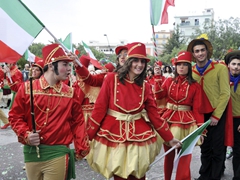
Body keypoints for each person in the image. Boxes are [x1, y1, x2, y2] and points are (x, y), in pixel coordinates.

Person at [86, 42, 180, 180]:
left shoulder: (145, 85)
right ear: (128, 61)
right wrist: (87, 136)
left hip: (139, 137)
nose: (139, 64)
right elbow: (99, 109)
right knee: (120, 176)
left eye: (142, 61)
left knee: (139, 174)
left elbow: (154, 115)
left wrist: (169, 138)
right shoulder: (111, 79)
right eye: (135, 60)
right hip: (114, 135)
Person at [8, 43, 90, 180]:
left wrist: (81, 146)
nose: (69, 69)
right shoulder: (28, 89)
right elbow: (15, 116)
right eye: (65, 64)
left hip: (58, 152)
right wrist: (26, 134)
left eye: (70, 65)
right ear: (51, 65)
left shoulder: (70, 93)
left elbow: (78, 121)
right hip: (31, 152)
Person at [154, 51, 213, 180]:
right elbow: (159, 96)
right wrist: (158, 77)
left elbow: (198, 109)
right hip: (168, 119)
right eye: (178, 64)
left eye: (184, 64)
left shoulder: (195, 86)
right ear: (175, 66)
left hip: (186, 122)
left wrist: (201, 130)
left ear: (189, 67)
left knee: (184, 156)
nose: (181, 67)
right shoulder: (169, 81)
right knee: (168, 155)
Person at [187, 38, 231, 180]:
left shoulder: (221, 68)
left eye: (202, 50)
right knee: (204, 147)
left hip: (217, 113)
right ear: (193, 54)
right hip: (200, 115)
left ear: (207, 51)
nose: (200, 53)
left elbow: (225, 93)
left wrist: (216, 116)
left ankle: (215, 176)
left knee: (217, 148)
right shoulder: (191, 71)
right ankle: (204, 175)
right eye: (197, 51)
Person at [224, 50, 240, 180]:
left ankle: (237, 176)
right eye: (233, 64)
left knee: (238, 151)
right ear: (228, 65)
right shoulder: (223, 80)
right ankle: (217, 172)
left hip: (238, 121)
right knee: (219, 148)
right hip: (223, 119)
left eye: (239, 64)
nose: (236, 67)